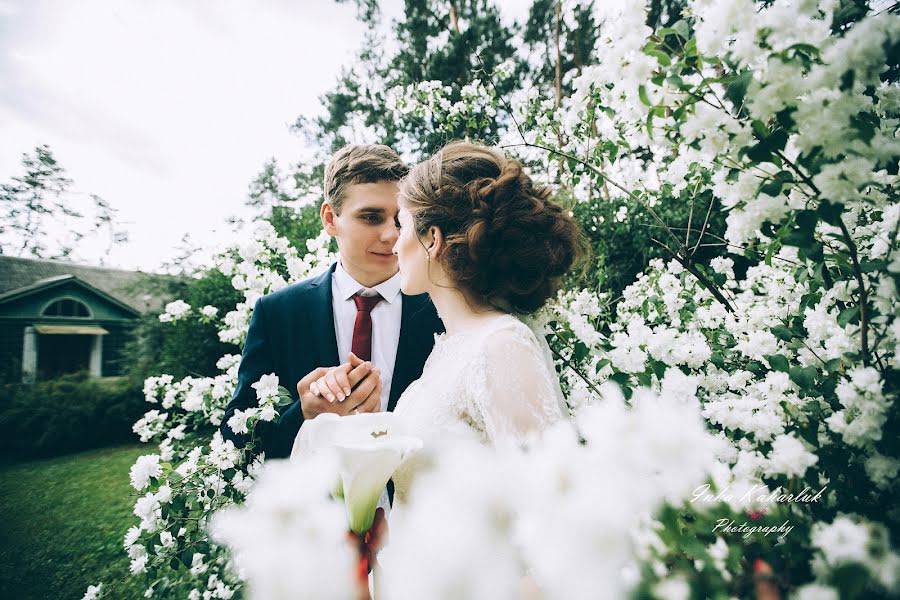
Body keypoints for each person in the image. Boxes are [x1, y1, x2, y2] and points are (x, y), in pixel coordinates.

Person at [220, 144, 443, 459]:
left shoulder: (440, 306)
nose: (390, 235)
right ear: (330, 218)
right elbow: (236, 434)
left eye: (399, 219)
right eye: (371, 217)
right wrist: (305, 415)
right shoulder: (278, 313)